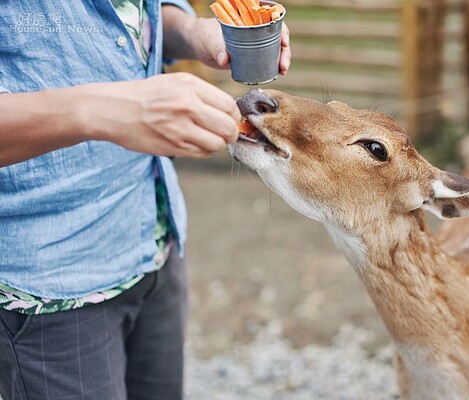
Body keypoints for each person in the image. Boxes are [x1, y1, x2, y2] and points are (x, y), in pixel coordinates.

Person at [0, 1, 291, 399]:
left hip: (156, 238)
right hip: (56, 287)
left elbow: (137, 13)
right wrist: (105, 109)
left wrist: (193, 32)